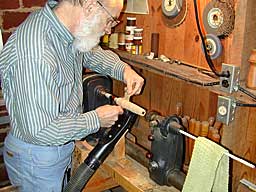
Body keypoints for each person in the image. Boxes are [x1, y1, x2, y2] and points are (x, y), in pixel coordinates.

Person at [0, 0, 144, 191]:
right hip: (38, 157)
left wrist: (124, 70)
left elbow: (90, 53)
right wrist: (96, 119)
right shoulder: (35, 53)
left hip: (55, 150)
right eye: (110, 20)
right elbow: (40, 131)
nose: (109, 30)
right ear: (91, 6)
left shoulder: (66, 28)